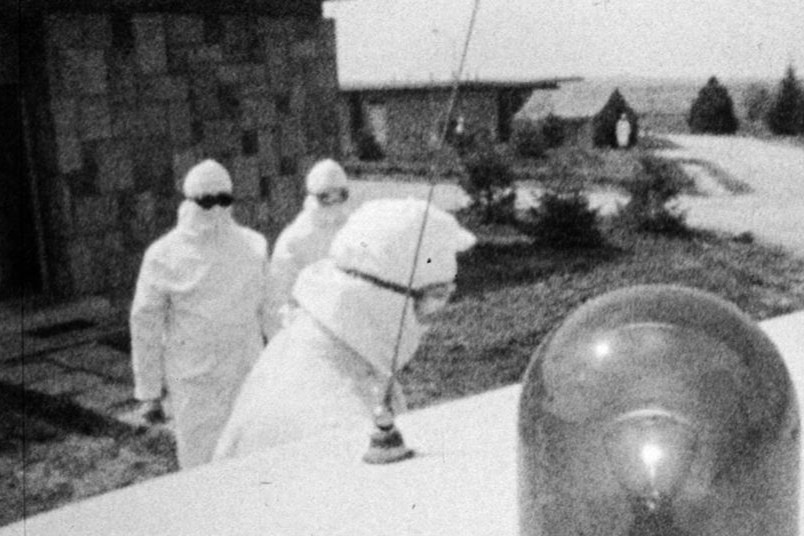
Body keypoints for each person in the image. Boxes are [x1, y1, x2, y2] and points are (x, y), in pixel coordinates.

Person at [214, 198, 476, 460]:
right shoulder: (338, 420)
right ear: (384, 298)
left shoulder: (323, 343)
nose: (435, 318)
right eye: (436, 296)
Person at [129, 159, 274, 469]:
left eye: (224, 199)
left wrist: (282, 365)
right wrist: (149, 391)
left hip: (246, 373)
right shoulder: (163, 255)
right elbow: (145, 324)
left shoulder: (254, 247)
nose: (216, 209)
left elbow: (271, 311)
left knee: (251, 459)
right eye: (207, 201)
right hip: (195, 383)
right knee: (200, 464)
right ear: (190, 200)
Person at [268, 158, 351, 329]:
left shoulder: (353, 231)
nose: (334, 202)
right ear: (313, 197)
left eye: (340, 195)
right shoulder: (293, 240)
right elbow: (277, 302)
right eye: (327, 197)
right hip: (308, 330)